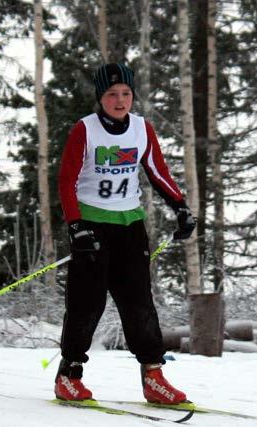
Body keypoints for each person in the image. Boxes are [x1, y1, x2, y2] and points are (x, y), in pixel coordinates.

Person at [55, 63, 196, 404]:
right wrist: (76, 226)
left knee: (139, 305)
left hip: (130, 225)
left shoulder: (141, 129)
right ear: (100, 97)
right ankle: (69, 374)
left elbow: (157, 171)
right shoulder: (84, 130)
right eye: (111, 94)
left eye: (126, 94)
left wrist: (180, 206)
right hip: (92, 223)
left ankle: (153, 376)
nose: (119, 101)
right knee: (87, 303)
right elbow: (66, 181)